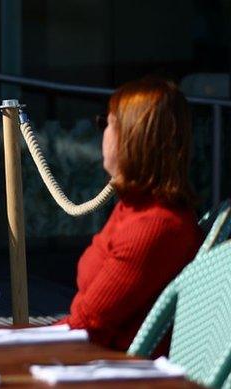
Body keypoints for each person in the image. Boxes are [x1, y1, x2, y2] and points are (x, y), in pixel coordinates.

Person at [61, 77, 201, 351]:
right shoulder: (135, 206)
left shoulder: (154, 225)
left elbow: (88, 325)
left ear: (130, 136)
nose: (102, 133)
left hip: (114, 367)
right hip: (99, 355)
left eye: (107, 123)